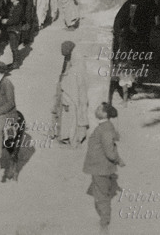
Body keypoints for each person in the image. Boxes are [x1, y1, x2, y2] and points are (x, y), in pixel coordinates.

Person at [83, 103, 125, 235]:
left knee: (101, 197)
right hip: (100, 167)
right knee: (101, 194)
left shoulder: (105, 129)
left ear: (105, 114)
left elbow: (109, 152)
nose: (96, 109)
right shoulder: (105, 126)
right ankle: (104, 220)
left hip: (100, 168)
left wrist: (118, 160)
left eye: (100, 109)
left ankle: (104, 224)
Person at [52, 41, 89, 146]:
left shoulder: (74, 72)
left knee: (73, 117)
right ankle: (75, 136)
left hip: (73, 97)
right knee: (79, 114)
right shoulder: (76, 59)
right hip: (78, 94)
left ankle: (72, 139)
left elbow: (69, 88)